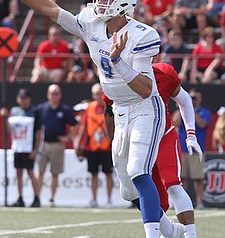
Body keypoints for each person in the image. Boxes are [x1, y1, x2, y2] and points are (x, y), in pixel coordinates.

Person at [0, 0, 185, 236]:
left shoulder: (143, 34)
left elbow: (144, 89)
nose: (97, 2)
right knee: (128, 190)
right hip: (119, 110)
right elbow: (51, 9)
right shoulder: (91, 22)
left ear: (122, 3)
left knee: (138, 171)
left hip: (144, 109)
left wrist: (118, 61)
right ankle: (171, 231)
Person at [103, 62, 202, 238]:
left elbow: (185, 100)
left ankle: (190, 234)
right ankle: (169, 230)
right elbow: (108, 111)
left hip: (163, 134)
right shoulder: (115, 76)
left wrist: (191, 134)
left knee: (172, 184)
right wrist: (113, 141)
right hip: (133, 136)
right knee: (133, 191)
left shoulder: (163, 73)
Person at [36, 84, 77, 207]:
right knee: (40, 172)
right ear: (48, 95)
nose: (54, 96)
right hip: (43, 144)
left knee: (55, 173)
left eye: (56, 93)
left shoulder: (64, 110)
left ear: (60, 95)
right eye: (52, 93)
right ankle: (36, 197)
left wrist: (69, 137)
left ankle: (51, 198)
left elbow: (75, 125)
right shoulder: (41, 109)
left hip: (57, 145)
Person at [0, 88, 41, 207]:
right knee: (18, 173)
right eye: (21, 98)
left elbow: (38, 132)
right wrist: (5, 118)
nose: (23, 100)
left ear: (29, 99)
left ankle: (36, 197)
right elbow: (9, 130)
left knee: (31, 173)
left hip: (29, 148)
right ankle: (20, 197)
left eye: (25, 98)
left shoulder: (34, 111)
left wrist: (35, 149)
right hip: (17, 147)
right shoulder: (14, 111)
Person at [74, 83, 113, 208]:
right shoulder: (89, 108)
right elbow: (84, 126)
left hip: (107, 146)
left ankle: (109, 199)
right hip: (92, 146)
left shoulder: (110, 106)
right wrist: (78, 141)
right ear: (93, 95)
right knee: (93, 174)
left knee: (108, 173)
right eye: (96, 94)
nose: (98, 96)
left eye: (100, 93)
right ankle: (94, 199)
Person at [173, 88, 211, 210]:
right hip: (182, 149)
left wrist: (191, 109)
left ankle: (200, 201)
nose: (193, 100)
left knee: (198, 178)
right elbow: (175, 123)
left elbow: (202, 124)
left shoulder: (204, 112)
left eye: (195, 98)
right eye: (191, 98)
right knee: (181, 178)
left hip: (196, 151)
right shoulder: (180, 111)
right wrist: (182, 107)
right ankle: (180, 202)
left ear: (200, 99)